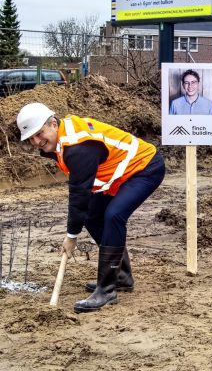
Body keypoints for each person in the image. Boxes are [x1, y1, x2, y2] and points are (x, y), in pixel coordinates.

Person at [16, 103, 166, 313]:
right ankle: (121, 276)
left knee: (114, 215)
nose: (37, 142)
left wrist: (71, 236)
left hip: (145, 167)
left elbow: (79, 194)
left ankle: (107, 290)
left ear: (53, 123)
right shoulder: (62, 139)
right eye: (31, 138)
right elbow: (83, 200)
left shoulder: (78, 148)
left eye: (40, 134)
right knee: (92, 215)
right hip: (119, 174)